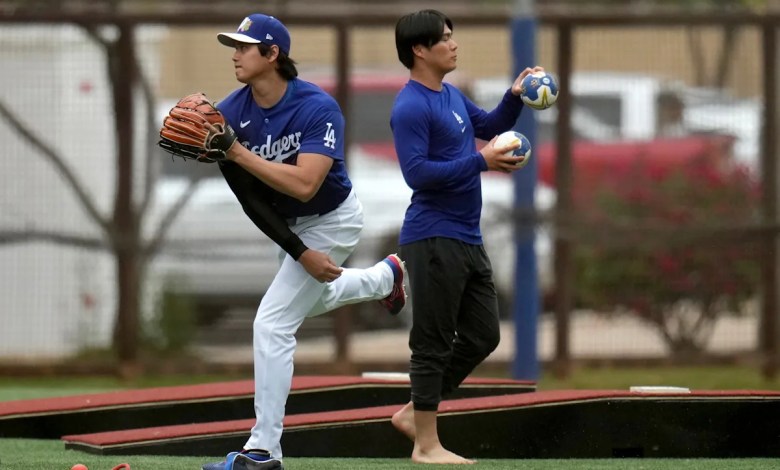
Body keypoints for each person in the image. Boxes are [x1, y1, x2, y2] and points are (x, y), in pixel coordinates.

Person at [201, 13, 407, 470]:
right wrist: (299, 252)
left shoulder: (316, 106)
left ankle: (263, 450)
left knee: (272, 323)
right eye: (233, 46)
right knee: (312, 298)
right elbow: (252, 200)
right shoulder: (229, 114)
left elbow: (306, 185)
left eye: (244, 46)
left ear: (272, 54)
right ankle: (384, 277)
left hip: (334, 218)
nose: (235, 54)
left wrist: (236, 151)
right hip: (290, 227)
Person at [389, 9, 543, 465]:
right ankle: (426, 445)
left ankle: (412, 414)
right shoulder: (411, 105)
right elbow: (416, 174)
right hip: (432, 237)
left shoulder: (450, 95)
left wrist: (514, 97)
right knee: (432, 342)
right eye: (445, 38)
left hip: (466, 238)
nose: (454, 44)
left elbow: (492, 127)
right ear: (420, 50)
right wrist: (482, 162)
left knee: (482, 336)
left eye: (453, 36)